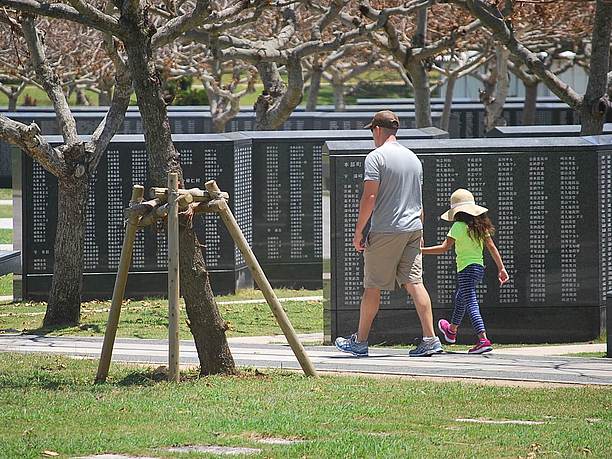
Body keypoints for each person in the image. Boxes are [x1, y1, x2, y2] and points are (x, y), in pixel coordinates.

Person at [334, 110, 442, 357]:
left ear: (378, 130)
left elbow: (370, 197)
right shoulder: (413, 158)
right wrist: (420, 230)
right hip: (413, 228)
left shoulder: (376, 157)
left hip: (386, 229)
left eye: (372, 131)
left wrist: (359, 230)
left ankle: (359, 342)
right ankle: (430, 338)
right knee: (415, 283)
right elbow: (419, 200)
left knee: (372, 286)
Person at [422, 188, 509, 354]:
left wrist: (420, 250)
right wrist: (501, 268)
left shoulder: (458, 226)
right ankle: (451, 330)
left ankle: (483, 339)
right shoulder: (480, 227)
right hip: (478, 269)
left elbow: (443, 248)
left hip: (465, 270)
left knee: (470, 302)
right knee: (461, 297)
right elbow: (491, 247)